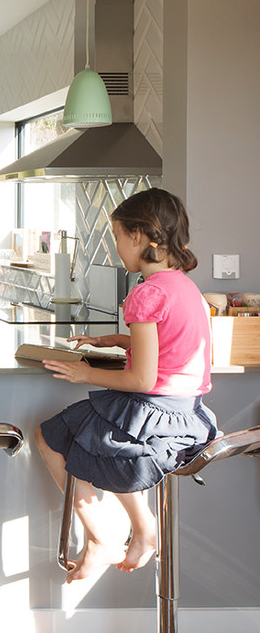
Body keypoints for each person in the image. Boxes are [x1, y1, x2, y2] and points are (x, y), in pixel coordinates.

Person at [35, 188, 219, 583]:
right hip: (186, 415)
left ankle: (106, 535)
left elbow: (142, 379)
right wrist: (118, 341)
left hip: (150, 411)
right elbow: (174, 349)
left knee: (52, 436)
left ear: (138, 237)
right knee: (99, 440)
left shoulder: (144, 294)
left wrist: (85, 374)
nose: (117, 246)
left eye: (116, 236)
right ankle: (142, 528)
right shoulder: (186, 287)